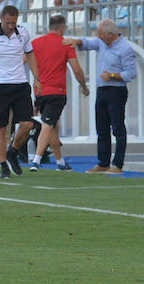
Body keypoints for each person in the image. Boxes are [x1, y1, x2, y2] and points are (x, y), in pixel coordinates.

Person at [0, 5, 41, 179]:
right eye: (8, 22)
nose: (11, 26)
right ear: (1, 19)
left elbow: (31, 55)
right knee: (1, 129)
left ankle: (13, 152)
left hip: (20, 84)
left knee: (27, 125)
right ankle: (3, 165)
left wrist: (36, 78)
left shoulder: (23, 33)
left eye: (14, 22)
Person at [64, 20, 138, 175]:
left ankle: (117, 164)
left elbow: (131, 73)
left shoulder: (125, 49)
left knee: (118, 128)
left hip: (116, 91)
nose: (98, 37)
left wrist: (112, 76)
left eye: (100, 34)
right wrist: (76, 41)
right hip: (102, 90)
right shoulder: (103, 43)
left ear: (109, 35)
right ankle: (103, 163)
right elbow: (89, 43)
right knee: (102, 128)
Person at [29, 15, 89, 171]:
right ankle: (36, 159)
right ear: (62, 28)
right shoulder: (66, 43)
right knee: (48, 124)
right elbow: (76, 70)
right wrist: (84, 86)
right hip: (56, 91)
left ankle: (60, 161)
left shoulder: (35, 43)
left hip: (40, 92)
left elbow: (24, 60)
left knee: (53, 125)